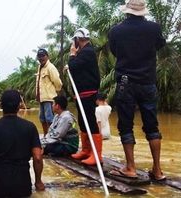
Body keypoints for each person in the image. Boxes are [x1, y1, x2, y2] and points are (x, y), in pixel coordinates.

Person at [108, 0, 166, 180]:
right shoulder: (154, 28)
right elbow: (159, 45)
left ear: (127, 10)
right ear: (143, 11)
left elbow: (116, 52)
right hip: (148, 82)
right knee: (152, 126)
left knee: (126, 125)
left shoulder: (116, 31)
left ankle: (130, 168)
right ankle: (157, 170)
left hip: (126, 82)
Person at [65, 27, 101, 166]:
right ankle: (86, 150)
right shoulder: (84, 52)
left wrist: (72, 54)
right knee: (82, 121)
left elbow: (73, 66)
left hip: (88, 93)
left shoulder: (87, 52)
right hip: (81, 93)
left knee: (90, 122)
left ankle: (96, 155)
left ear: (78, 40)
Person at [36, 48, 63, 136]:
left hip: (49, 98)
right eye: (39, 56)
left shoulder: (50, 67)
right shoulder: (40, 67)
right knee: (42, 119)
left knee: (49, 119)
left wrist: (56, 92)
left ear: (47, 56)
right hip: (41, 99)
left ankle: (52, 137)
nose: (41, 58)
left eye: (43, 56)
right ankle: (45, 136)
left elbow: (58, 82)